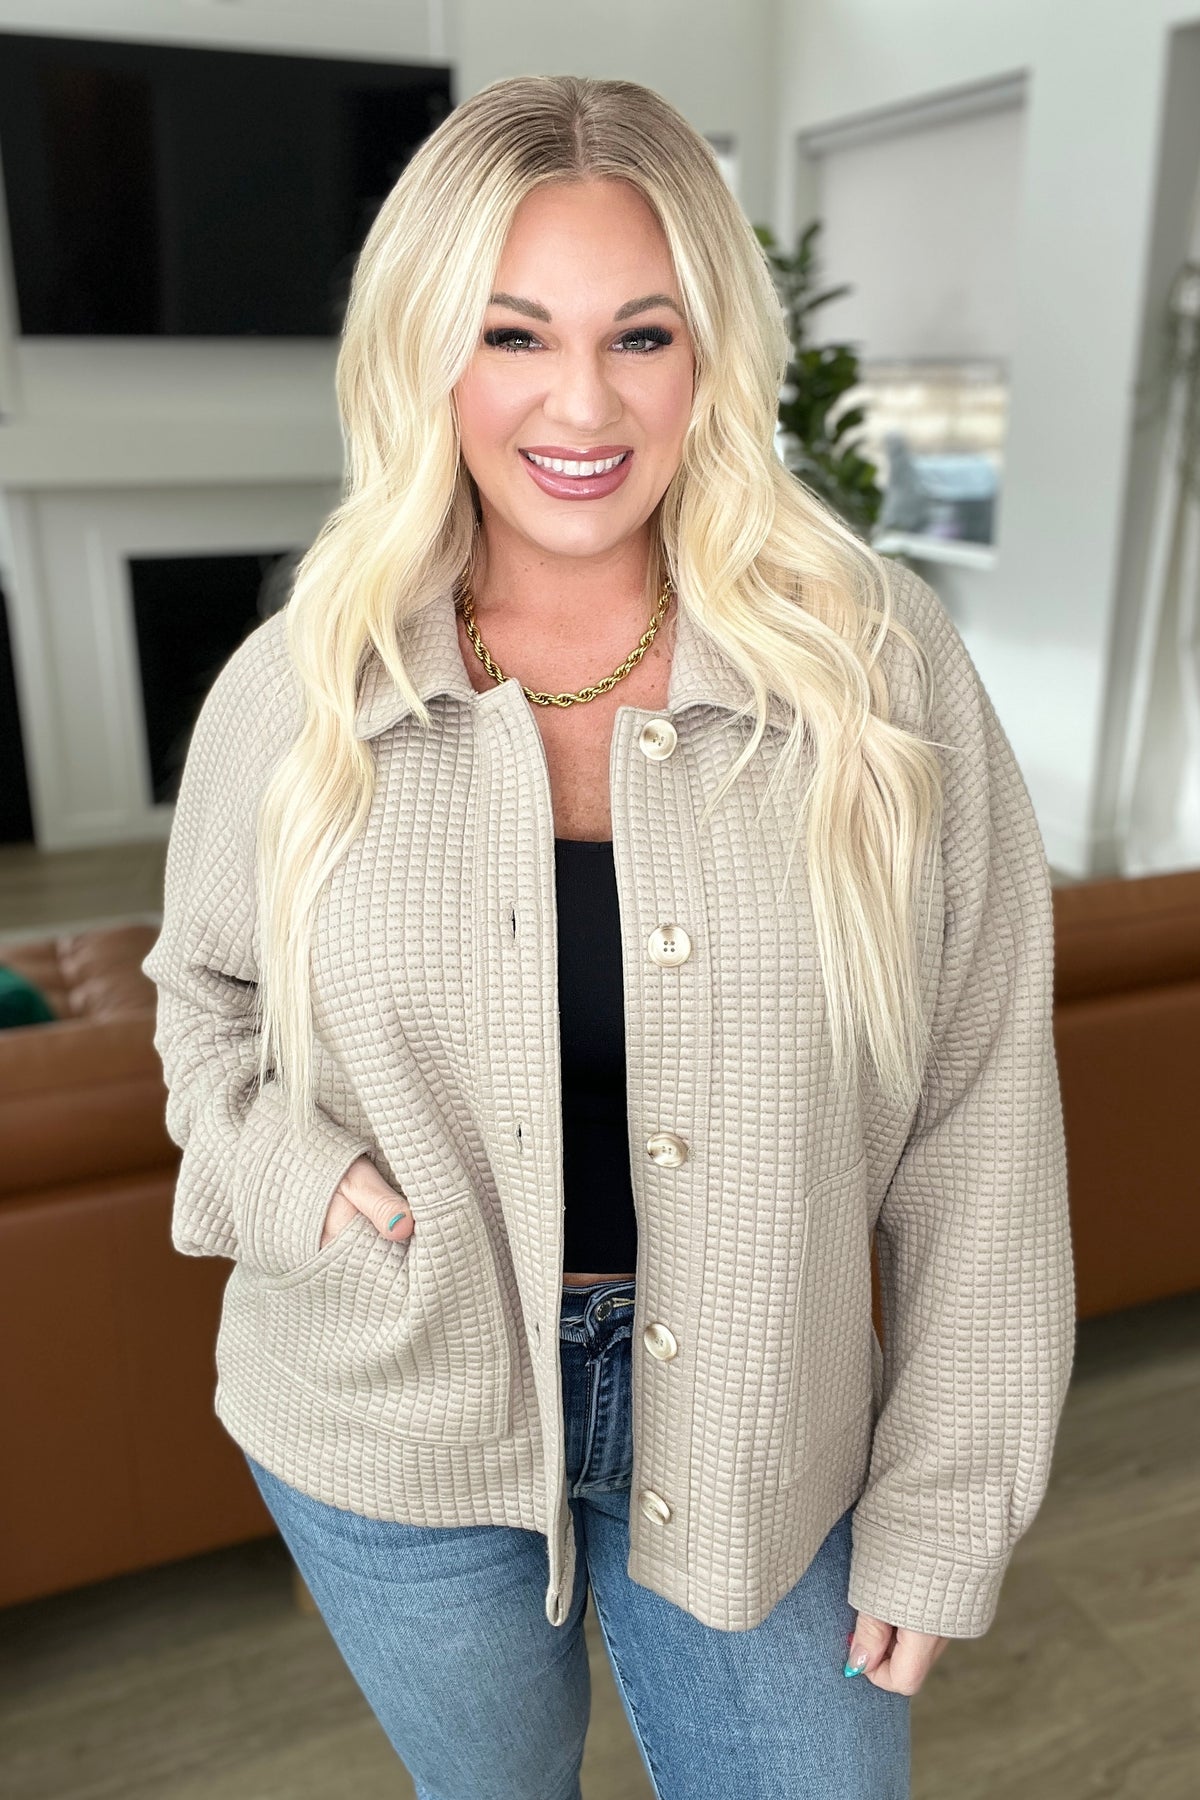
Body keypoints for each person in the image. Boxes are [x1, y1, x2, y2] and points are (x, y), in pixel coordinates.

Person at [142, 74, 1075, 1800]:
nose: (583, 402)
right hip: (386, 1411)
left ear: (712, 353)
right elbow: (202, 1001)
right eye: (514, 334)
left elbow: (983, 1109)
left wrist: (949, 1500)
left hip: (768, 1413)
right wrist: (299, 1180)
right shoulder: (302, 684)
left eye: (641, 334)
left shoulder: (878, 673)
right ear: (427, 352)